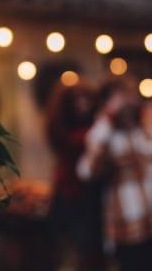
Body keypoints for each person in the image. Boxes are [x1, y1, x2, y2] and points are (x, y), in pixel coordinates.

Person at [77, 79, 152, 271]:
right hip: (126, 223)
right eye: (118, 98)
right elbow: (86, 171)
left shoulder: (144, 127)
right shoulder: (102, 132)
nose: (126, 103)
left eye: (128, 96)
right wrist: (107, 124)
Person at [45, 82, 105, 271]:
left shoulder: (95, 128)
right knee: (75, 252)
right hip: (71, 196)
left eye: (86, 99)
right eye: (77, 100)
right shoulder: (71, 133)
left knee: (91, 252)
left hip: (92, 197)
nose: (82, 104)